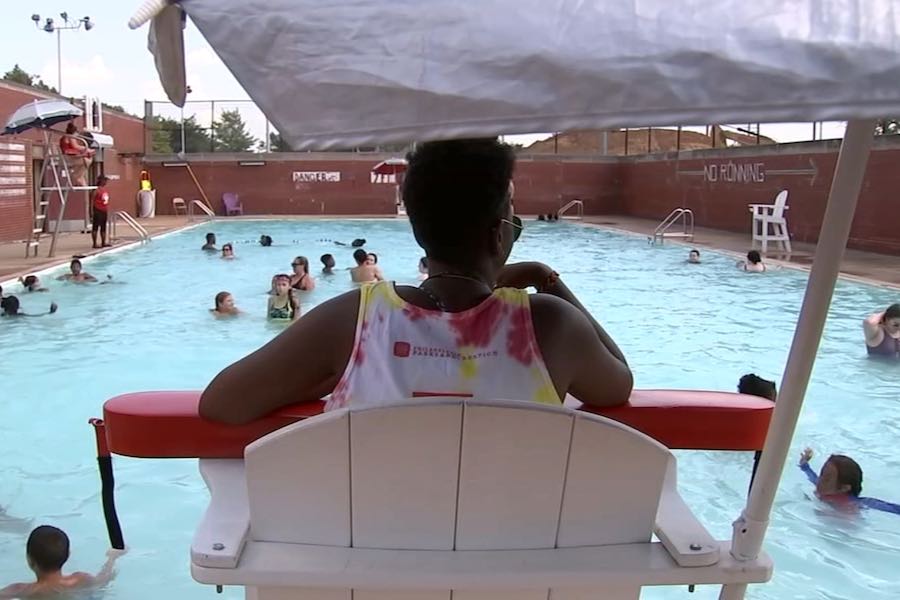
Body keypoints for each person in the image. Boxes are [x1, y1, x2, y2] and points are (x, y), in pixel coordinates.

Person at [199, 138, 632, 424]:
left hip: (374, 557)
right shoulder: (553, 324)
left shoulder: (356, 318)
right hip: (513, 555)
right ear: (499, 234)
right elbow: (618, 386)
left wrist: (341, 369)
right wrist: (545, 278)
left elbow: (221, 404)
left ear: (418, 229)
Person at [0, 525, 125, 599]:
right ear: (68, 555)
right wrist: (112, 558)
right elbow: (103, 580)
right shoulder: (81, 580)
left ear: (29, 560)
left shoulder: (22, 590)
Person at [798, 449, 900, 515]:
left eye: (827, 478)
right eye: (822, 474)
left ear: (844, 488)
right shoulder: (825, 487)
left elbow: (892, 509)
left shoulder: (855, 504)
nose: (820, 480)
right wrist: (804, 465)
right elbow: (812, 476)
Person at [59, 123, 94, 187]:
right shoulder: (70, 137)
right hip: (69, 157)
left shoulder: (66, 137)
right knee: (86, 160)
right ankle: (77, 177)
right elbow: (76, 146)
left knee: (86, 161)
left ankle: (79, 177)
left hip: (69, 156)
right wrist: (86, 149)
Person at [91, 175, 111, 248]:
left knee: (103, 227)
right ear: (101, 181)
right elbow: (92, 201)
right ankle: (95, 243)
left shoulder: (104, 190)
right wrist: (91, 211)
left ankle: (103, 242)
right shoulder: (96, 190)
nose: (106, 182)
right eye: (104, 180)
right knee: (95, 227)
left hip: (104, 210)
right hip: (97, 210)